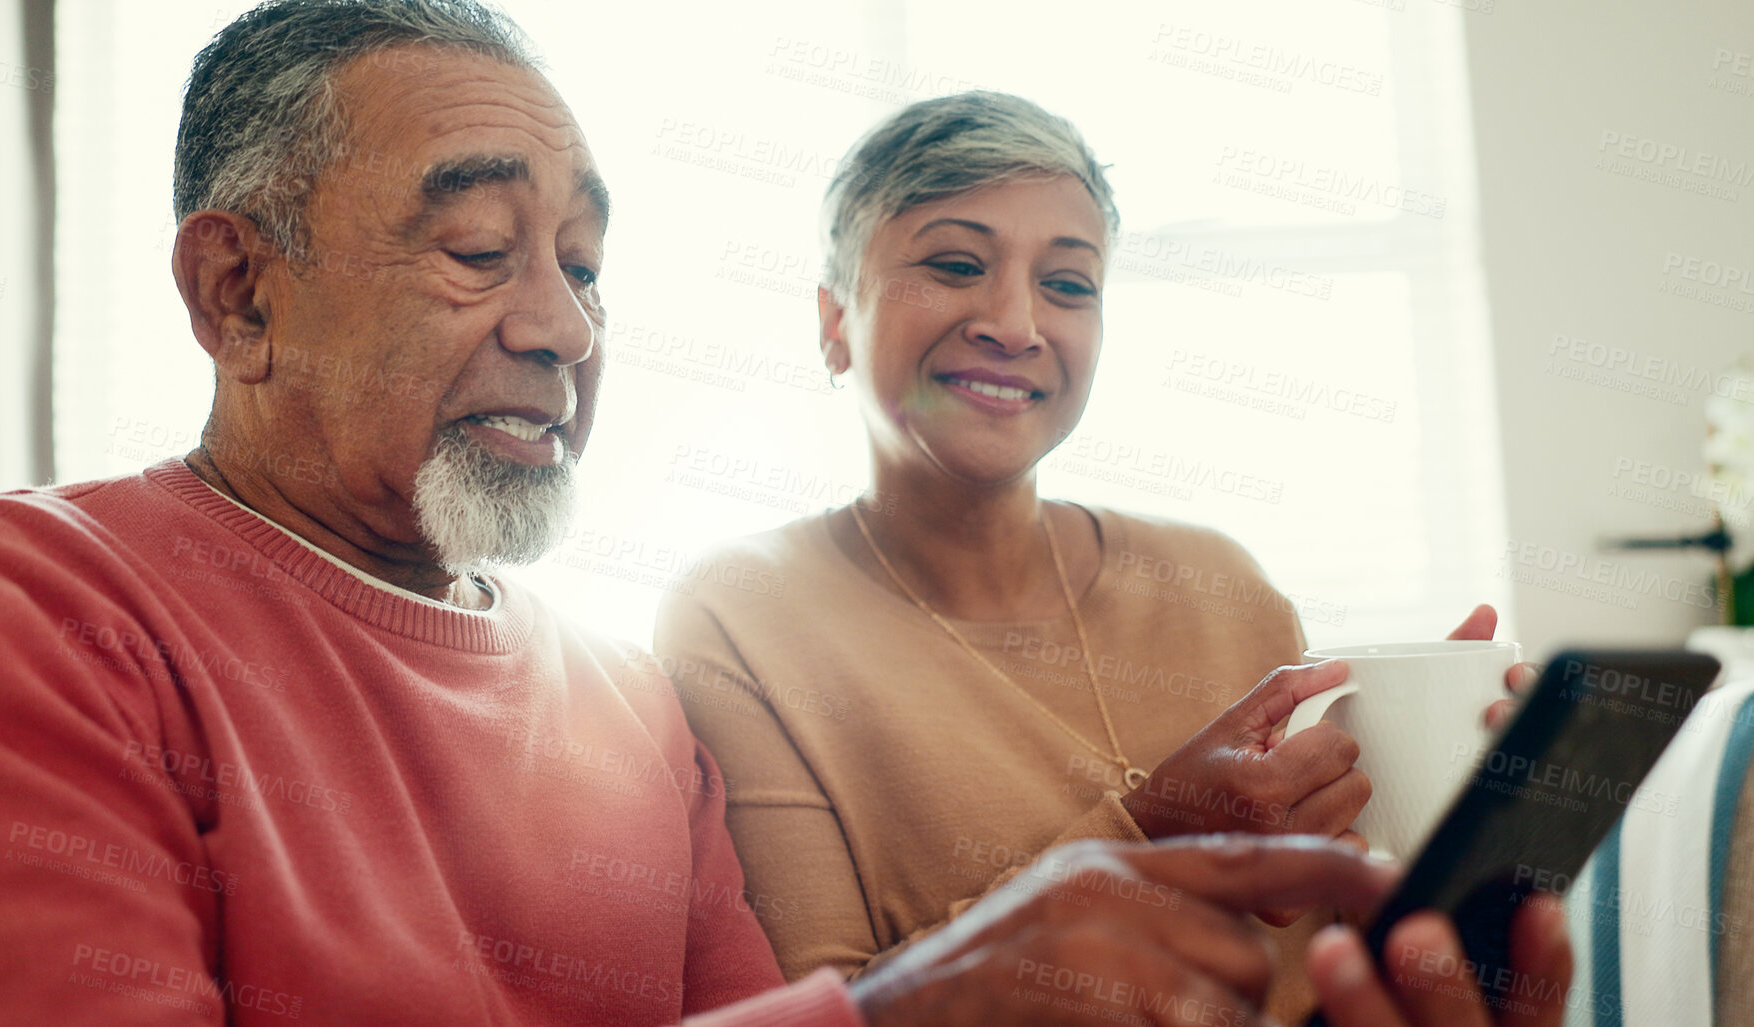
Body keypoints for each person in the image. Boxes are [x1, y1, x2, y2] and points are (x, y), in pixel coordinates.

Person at [0, 2, 1567, 1025]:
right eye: (482, 250)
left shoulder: (621, 700)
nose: (563, 324)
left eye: (581, 264)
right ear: (237, 291)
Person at [653, 90, 1527, 1022]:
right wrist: (1149, 834)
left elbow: (1333, 951)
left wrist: (1464, 814)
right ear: (834, 321)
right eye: (955, 264)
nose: (1014, 323)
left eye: (1067, 284)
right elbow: (829, 1011)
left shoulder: (1222, 583)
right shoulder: (739, 615)